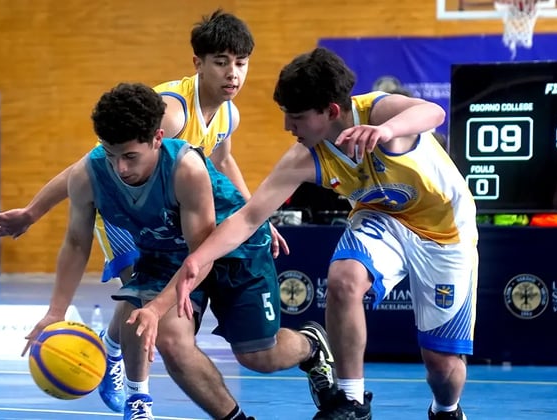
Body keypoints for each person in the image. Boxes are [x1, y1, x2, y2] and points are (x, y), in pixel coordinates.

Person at [0, 10, 287, 413]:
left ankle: (111, 350)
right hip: (129, 211)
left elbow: (224, 161)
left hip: (174, 208)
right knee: (139, 288)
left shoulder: (226, 114)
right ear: (198, 64)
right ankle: (133, 388)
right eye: (221, 62)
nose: (233, 74)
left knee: (156, 298)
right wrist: (34, 212)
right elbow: (90, 166)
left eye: (240, 64)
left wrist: (253, 213)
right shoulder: (171, 117)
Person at [172, 47, 477, 420]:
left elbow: (434, 112)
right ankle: (351, 400)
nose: (288, 127)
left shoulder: (376, 113)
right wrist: (197, 259)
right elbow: (250, 217)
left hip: (444, 232)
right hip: (381, 218)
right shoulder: (305, 156)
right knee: (343, 277)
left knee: (442, 368)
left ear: (331, 112)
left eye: (296, 117)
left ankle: (446, 409)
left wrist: (386, 130)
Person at [22, 82, 336, 420]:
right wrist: (56, 311)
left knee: (258, 357)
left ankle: (311, 346)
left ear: (158, 139)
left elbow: (200, 255)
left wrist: (157, 308)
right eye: (111, 155)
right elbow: (75, 242)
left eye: (130, 156)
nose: (120, 169)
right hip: (166, 252)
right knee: (170, 340)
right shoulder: (88, 175)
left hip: (232, 247)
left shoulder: (186, 169)